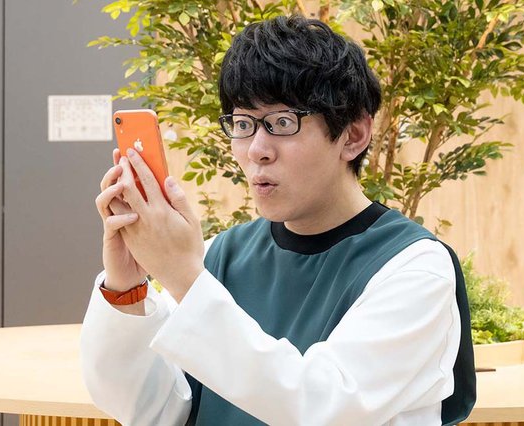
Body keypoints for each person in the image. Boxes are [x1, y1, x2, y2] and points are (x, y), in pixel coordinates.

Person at [81, 15, 476, 426]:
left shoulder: (413, 268)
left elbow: (322, 409)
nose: (257, 149)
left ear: (353, 135)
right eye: (242, 124)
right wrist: (126, 289)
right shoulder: (221, 255)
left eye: (282, 123)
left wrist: (183, 277)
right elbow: (153, 410)